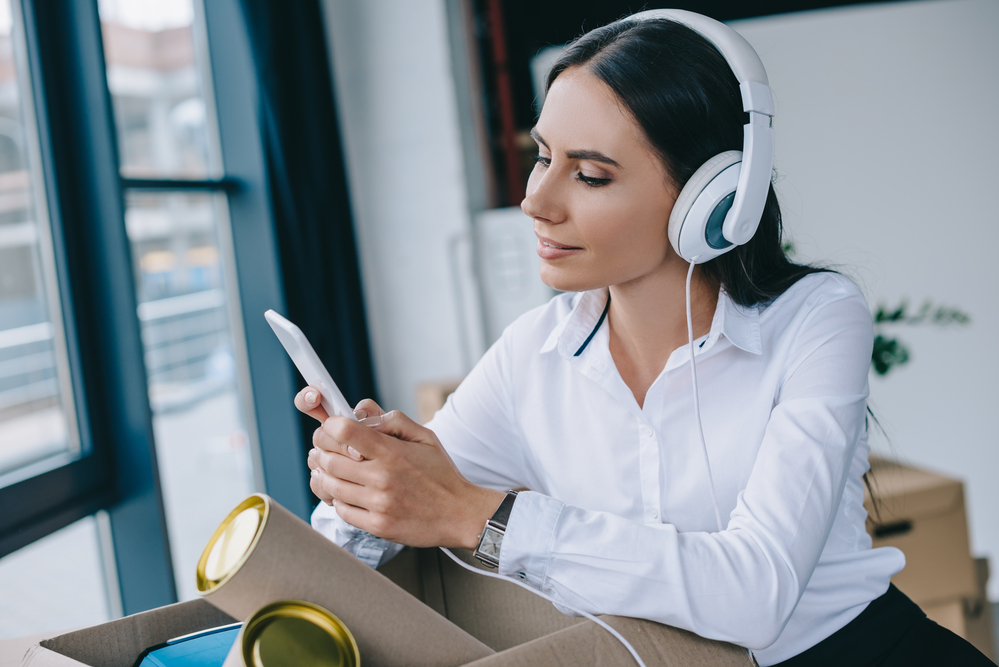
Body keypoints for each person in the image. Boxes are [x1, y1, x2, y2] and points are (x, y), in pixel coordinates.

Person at [296, 11, 993, 667]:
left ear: (713, 199)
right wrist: (363, 482)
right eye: (542, 157)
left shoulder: (813, 317)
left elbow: (756, 593)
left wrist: (475, 515)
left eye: (590, 174)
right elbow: (361, 539)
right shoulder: (531, 354)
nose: (535, 200)